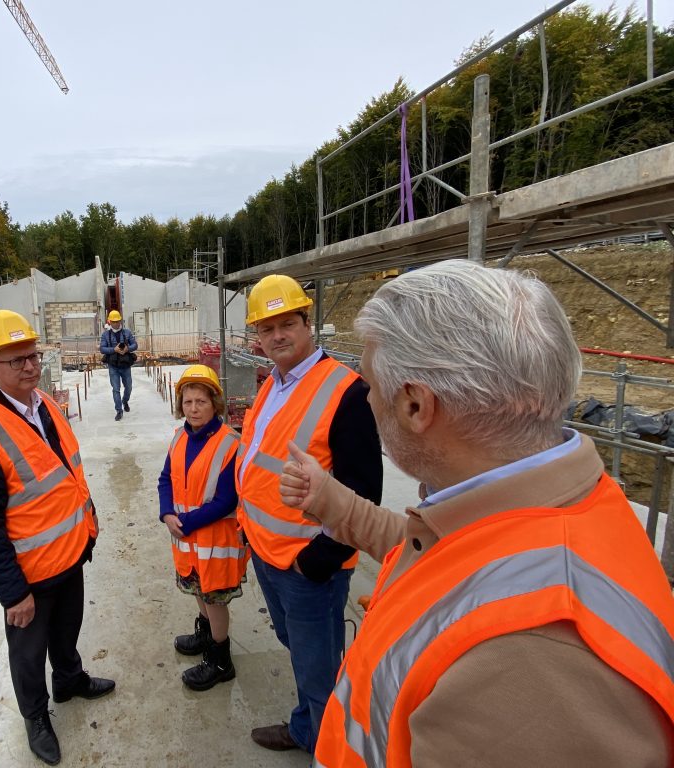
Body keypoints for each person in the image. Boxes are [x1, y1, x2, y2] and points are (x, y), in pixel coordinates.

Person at [279, 260, 674, 767]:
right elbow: (450, 562)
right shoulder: (555, 501)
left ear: (416, 406)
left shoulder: (532, 663)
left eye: (371, 384)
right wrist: (335, 502)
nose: (368, 397)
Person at [0, 309, 115, 766]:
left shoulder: (46, 405)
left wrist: (87, 529)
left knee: (67, 631)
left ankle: (69, 679)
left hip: (70, 554)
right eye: (17, 359)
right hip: (28, 574)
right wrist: (11, 590)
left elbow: (66, 473)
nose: (30, 366)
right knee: (27, 653)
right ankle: (36, 717)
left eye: (33, 356)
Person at [236, 274, 383, 754]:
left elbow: (364, 494)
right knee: (298, 650)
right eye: (266, 328)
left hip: (307, 566)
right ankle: (307, 727)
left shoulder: (347, 393)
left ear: (307, 323)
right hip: (268, 553)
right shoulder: (274, 384)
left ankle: (328, 747)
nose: (277, 335)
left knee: (319, 672)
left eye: (287, 323)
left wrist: (317, 560)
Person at [157, 365, 247, 691]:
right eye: (188, 401)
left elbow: (226, 500)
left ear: (215, 405)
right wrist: (167, 512)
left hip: (214, 541)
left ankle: (221, 660)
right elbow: (166, 478)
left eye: (201, 402)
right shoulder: (180, 437)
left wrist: (185, 523)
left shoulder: (230, 444)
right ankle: (206, 634)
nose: (193, 409)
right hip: (187, 540)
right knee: (198, 590)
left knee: (214, 600)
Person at [99, 309, 138, 421]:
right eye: (114, 322)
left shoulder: (127, 333)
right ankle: (119, 410)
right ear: (110, 322)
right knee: (116, 389)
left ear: (120, 321)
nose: (116, 324)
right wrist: (114, 349)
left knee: (129, 387)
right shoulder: (106, 335)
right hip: (113, 366)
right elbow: (102, 349)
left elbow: (135, 345)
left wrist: (127, 348)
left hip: (125, 365)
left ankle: (125, 401)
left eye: (118, 321)